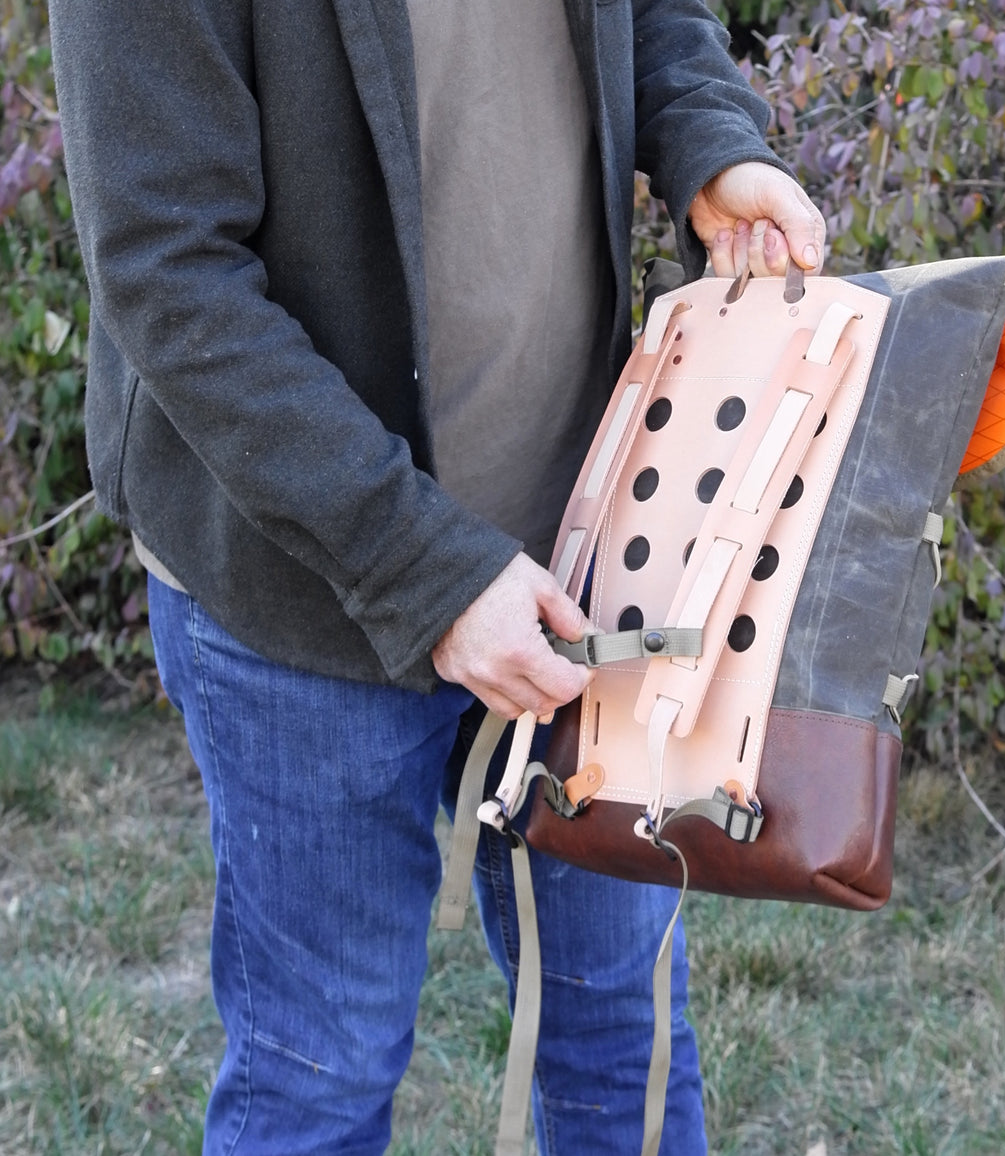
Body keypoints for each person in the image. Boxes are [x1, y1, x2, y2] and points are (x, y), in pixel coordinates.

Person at [48, 1, 825, 1152]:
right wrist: (427, 571)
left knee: (620, 1034)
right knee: (320, 1070)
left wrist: (711, 140)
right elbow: (170, 270)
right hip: (303, 590)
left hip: (595, 551)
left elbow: (655, 13)